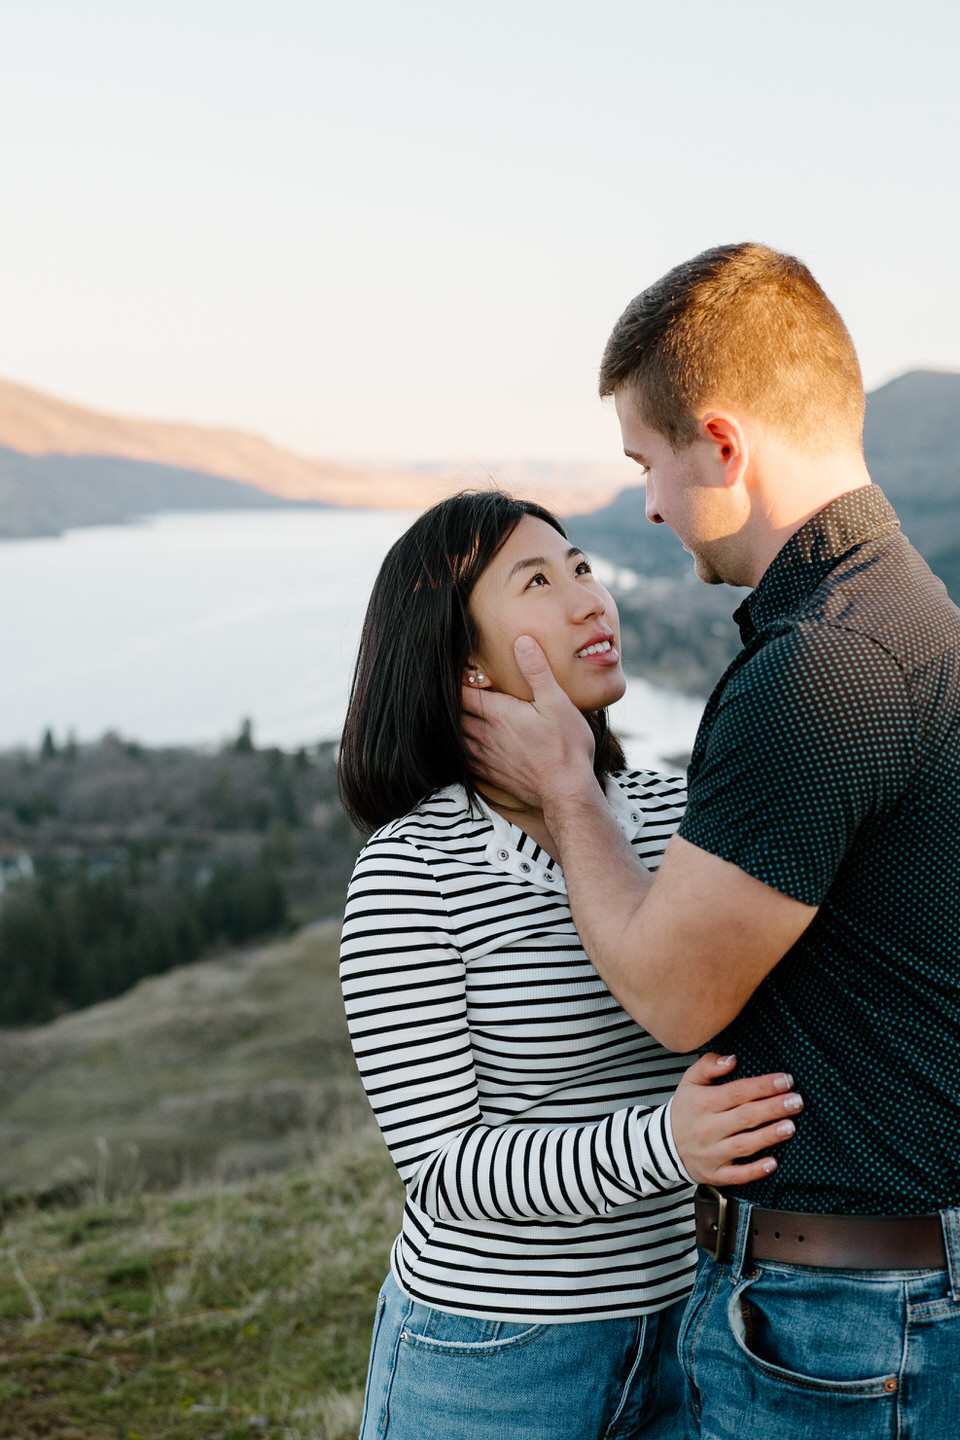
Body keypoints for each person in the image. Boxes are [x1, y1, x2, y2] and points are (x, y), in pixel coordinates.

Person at [462, 244, 960, 1439]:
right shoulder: (911, 612)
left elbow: (677, 998)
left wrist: (569, 792)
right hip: (881, 1297)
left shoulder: (822, 668)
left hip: (838, 1323)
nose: (644, 506)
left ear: (724, 446)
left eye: (649, 463)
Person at [338, 490, 803, 1440]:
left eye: (584, 567)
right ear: (463, 660)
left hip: (694, 1328)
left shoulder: (680, 812)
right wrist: (665, 1144)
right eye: (538, 582)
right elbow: (441, 1166)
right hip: (495, 1358)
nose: (591, 600)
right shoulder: (411, 869)